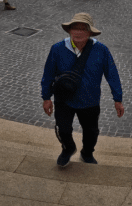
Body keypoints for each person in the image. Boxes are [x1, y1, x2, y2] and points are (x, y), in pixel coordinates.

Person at [40, 12, 124, 167]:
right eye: (75, 28)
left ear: (90, 32)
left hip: (89, 100)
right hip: (64, 99)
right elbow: (48, 75)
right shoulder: (57, 49)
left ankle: (87, 153)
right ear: (69, 30)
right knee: (63, 130)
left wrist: (117, 99)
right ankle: (68, 148)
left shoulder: (101, 50)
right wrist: (46, 98)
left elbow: (112, 74)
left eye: (83, 29)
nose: (78, 32)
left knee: (91, 132)